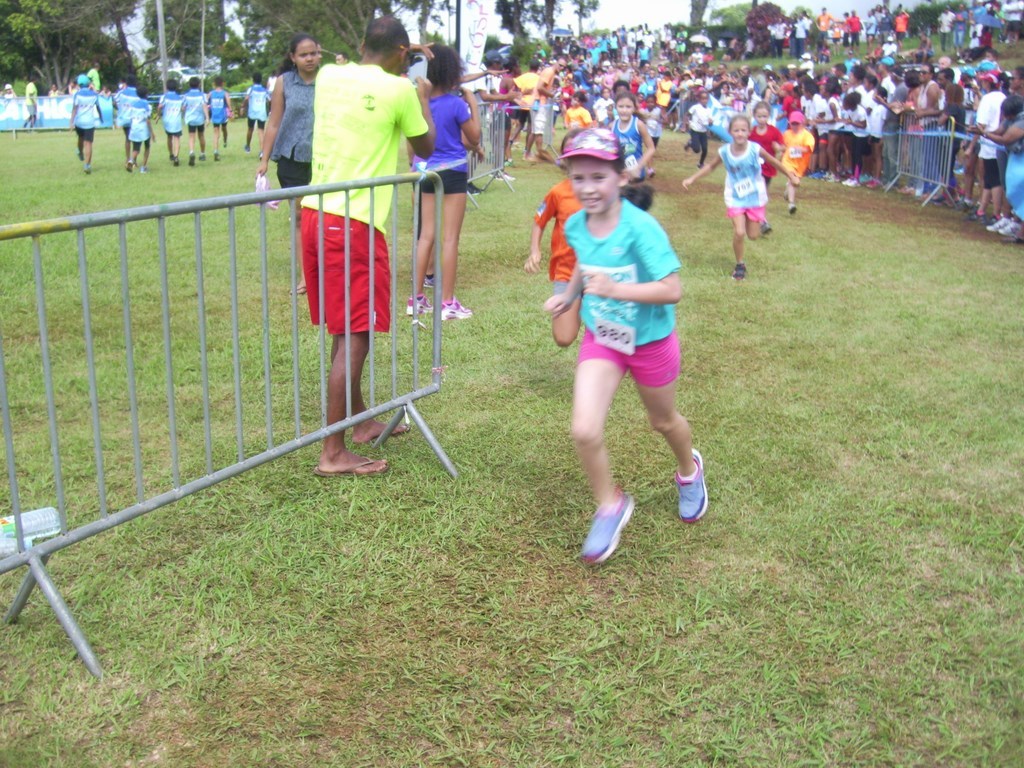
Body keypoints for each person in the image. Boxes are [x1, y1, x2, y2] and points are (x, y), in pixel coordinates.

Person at [543, 127, 707, 565]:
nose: (588, 188)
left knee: (663, 421)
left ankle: (689, 471)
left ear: (621, 176)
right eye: (578, 177)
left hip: (650, 342)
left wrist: (616, 289)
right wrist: (569, 296)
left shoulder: (641, 229)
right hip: (604, 336)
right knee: (584, 429)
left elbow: (672, 289)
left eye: (598, 177)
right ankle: (609, 505)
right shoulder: (576, 223)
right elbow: (584, 262)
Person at [300, 16, 435, 478]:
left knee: (345, 329)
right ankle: (332, 452)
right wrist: (422, 95)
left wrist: (404, 54)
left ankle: (357, 423)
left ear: (361, 44)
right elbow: (426, 145)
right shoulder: (401, 90)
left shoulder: (328, 75)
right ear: (402, 53)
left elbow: (366, 69)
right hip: (354, 223)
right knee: (356, 332)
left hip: (315, 214)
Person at [409, 44, 481, 321]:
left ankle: (416, 299)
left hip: (425, 171)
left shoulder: (419, 104)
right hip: (452, 171)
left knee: (425, 236)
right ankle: (448, 302)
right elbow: (474, 137)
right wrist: (473, 104)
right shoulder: (456, 104)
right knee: (450, 238)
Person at [682, 114, 799, 281]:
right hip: (735, 197)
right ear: (730, 132)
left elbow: (773, 161)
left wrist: (790, 175)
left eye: (743, 130)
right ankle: (740, 265)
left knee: (753, 235)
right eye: (736, 130)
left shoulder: (755, 149)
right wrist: (692, 178)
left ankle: (759, 222)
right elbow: (710, 167)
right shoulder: (724, 152)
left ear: (749, 132)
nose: (740, 134)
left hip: (755, 197)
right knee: (739, 232)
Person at [257, 34, 322, 295]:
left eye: (314, 53)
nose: (310, 59)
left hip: (322, 158)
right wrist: (264, 159)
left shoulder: (328, 80)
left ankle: (329, 270)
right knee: (300, 217)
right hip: (291, 159)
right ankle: (306, 276)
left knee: (325, 216)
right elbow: (274, 122)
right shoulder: (284, 82)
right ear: (293, 57)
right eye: (304, 54)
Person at [525, 129, 585, 347]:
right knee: (563, 338)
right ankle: (579, 308)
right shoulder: (558, 192)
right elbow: (539, 221)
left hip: (599, 271)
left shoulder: (603, 190)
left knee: (602, 331)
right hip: (566, 271)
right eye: (571, 153)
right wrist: (535, 250)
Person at [748, 101, 786, 235]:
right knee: (757, 193)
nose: (762, 119)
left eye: (764, 116)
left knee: (762, 194)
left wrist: (778, 148)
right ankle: (762, 221)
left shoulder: (774, 131)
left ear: (769, 116)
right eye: (759, 116)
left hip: (768, 168)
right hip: (753, 168)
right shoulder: (751, 132)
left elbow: (783, 146)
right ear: (754, 116)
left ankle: (757, 217)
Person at [613, 89, 656, 181]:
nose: (624, 110)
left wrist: (638, 167)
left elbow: (651, 148)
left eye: (628, 107)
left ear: (634, 108)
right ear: (615, 107)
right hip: (619, 175)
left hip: (636, 176)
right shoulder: (612, 126)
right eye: (621, 106)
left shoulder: (638, 125)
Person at [781, 111, 815, 213]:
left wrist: (798, 149)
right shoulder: (787, 134)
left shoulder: (807, 135)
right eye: (793, 123)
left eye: (797, 124)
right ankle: (791, 204)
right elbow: (783, 146)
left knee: (794, 182)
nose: (795, 126)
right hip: (787, 162)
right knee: (792, 178)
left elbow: (808, 148)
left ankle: (788, 191)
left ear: (802, 123)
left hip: (800, 164)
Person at [69, 74, 100, 174]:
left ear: (79, 84)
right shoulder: (94, 95)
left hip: (79, 122)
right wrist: (101, 117)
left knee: (80, 138)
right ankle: (87, 165)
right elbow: (98, 106)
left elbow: (74, 109)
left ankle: (79, 151)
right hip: (89, 122)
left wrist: (71, 122)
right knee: (88, 143)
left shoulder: (77, 94)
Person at [126, 86, 153, 174]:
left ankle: (131, 160)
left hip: (134, 128)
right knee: (147, 147)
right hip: (143, 129)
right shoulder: (147, 106)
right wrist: (152, 132)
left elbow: (130, 117)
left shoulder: (133, 105)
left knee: (136, 148)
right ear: (146, 94)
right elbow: (148, 120)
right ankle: (143, 167)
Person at [183, 76, 208, 166]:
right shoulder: (202, 95)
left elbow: (183, 107)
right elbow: (204, 106)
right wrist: (207, 117)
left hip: (190, 118)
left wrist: (184, 114)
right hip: (200, 118)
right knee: (201, 135)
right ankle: (202, 153)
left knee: (191, 136)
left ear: (189, 85)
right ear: (199, 85)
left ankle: (191, 152)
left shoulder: (186, 95)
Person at [243, 73, 270, 156]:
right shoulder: (264, 90)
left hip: (252, 112)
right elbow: (270, 100)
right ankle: (262, 151)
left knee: (250, 129)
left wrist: (243, 106)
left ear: (253, 80)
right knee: (261, 131)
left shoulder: (251, 89)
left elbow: (246, 98)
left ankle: (248, 146)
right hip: (262, 113)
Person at [159, 79, 184, 166]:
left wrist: (158, 115)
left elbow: (160, 106)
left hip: (167, 121)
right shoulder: (180, 98)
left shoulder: (164, 97)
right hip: (176, 121)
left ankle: (171, 154)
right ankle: (176, 156)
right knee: (177, 138)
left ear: (167, 87)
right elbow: (183, 108)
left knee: (169, 137)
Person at [686, 89, 713, 168]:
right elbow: (687, 114)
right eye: (703, 99)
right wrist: (686, 123)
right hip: (695, 130)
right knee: (697, 149)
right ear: (699, 99)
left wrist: (710, 122)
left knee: (705, 149)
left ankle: (701, 163)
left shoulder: (709, 110)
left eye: (706, 99)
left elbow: (710, 122)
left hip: (703, 131)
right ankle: (691, 143)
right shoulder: (696, 107)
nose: (704, 100)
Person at [207, 76, 231, 160]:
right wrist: (230, 111)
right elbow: (228, 103)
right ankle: (225, 140)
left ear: (214, 84)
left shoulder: (211, 93)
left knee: (216, 133)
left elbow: (205, 101)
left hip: (215, 116)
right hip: (223, 115)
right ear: (222, 84)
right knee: (224, 129)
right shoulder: (225, 93)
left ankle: (215, 151)